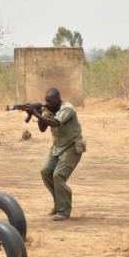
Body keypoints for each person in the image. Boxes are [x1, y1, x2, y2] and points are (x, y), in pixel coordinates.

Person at [23, 88, 85, 221]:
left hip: (72, 147)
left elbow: (55, 123)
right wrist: (39, 114)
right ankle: (58, 202)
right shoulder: (49, 111)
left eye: (50, 100)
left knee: (58, 175)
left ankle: (64, 211)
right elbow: (42, 128)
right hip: (57, 148)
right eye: (46, 100)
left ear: (58, 98)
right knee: (45, 171)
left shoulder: (68, 109)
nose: (48, 103)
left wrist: (35, 113)